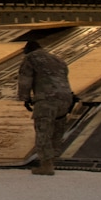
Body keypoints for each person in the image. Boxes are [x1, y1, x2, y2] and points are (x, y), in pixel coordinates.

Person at [16, 36, 73, 175]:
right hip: (66, 99)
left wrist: (25, 98)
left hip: (47, 100)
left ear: (28, 50)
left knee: (43, 131)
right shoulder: (58, 60)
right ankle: (54, 158)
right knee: (57, 131)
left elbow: (25, 79)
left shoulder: (31, 59)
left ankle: (46, 165)